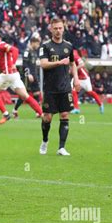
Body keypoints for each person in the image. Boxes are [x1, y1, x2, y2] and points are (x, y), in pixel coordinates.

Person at [0, 31, 43, 125]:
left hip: (6, 75)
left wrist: (13, 62)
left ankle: (5, 114)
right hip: (14, 75)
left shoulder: (3, 46)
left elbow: (15, 50)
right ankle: (42, 114)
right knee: (25, 96)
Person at [39, 18, 80, 156]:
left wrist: (76, 78)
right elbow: (43, 64)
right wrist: (59, 63)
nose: (58, 31)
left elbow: (73, 63)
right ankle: (45, 141)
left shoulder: (68, 46)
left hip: (65, 87)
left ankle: (61, 147)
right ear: (51, 29)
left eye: (60, 28)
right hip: (50, 88)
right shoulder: (45, 46)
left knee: (64, 114)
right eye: (55, 28)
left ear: (64, 29)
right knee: (47, 118)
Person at [12, 36, 42, 119]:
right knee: (23, 94)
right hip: (27, 75)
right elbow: (24, 64)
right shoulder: (27, 51)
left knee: (37, 93)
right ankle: (15, 110)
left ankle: (38, 112)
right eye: (37, 43)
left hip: (34, 74)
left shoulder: (35, 52)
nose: (38, 45)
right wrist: (28, 74)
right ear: (32, 43)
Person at [70, 49, 104, 114]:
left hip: (84, 77)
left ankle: (100, 104)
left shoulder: (75, 55)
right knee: (73, 91)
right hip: (77, 77)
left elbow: (82, 64)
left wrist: (75, 69)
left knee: (90, 92)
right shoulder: (67, 55)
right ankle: (76, 108)